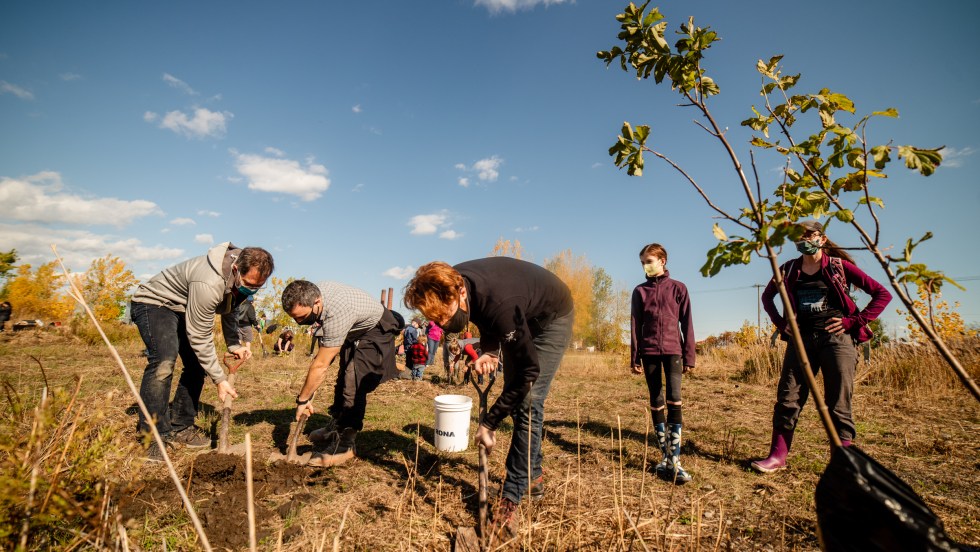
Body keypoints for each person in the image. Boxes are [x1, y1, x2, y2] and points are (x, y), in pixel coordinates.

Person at [404, 257, 573, 538]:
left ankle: (510, 498)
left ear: (460, 292)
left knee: (528, 401)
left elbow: (527, 371)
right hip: (518, 309)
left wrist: (490, 422)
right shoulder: (453, 284)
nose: (444, 325)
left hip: (552, 317)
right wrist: (491, 350)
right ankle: (533, 477)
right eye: (436, 320)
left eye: (445, 316)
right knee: (519, 401)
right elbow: (483, 314)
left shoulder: (501, 301)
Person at [752, 221, 892, 473]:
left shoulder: (839, 267)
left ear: (822, 239)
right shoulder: (789, 269)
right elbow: (767, 296)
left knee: (838, 402)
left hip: (837, 342)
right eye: (799, 236)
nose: (803, 239)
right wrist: (780, 323)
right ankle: (777, 456)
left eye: (809, 235)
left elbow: (882, 294)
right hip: (801, 341)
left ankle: (843, 464)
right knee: (788, 398)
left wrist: (854, 322)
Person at [131, 243, 274, 462]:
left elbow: (230, 309)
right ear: (236, 270)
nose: (251, 290)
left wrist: (234, 344)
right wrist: (219, 378)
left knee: (197, 365)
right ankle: (152, 437)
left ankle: (181, 426)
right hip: (156, 303)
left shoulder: (241, 281)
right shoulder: (209, 281)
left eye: (258, 286)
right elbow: (199, 335)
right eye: (249, 284)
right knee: (164, 361)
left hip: (183, 307)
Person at [282, 279, 403, 467]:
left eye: (301, 317)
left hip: (375, 330)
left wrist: (303, 400)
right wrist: (310, 392)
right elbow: (324, 360)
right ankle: (336, 425)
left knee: (353, 380)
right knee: (342, 377)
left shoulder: (338, 310)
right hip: (354, 330)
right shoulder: (314, 294)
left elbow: (320, 365)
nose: (298, 323)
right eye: (294, 318)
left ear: (316, 302)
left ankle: (346, 444)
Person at [630, 243, 696, 484]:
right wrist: (634, 356)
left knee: (674, 399)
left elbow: (687, 323)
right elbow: (635, 325)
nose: (646, 266)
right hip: (648, 353)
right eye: (642, 262)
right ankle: (665, 458)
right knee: (656, 401)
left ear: (662, 261)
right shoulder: (639, 291)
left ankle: (675, 461)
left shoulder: (679, 288)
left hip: (673, 352)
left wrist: (690, 356)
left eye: (649, 261)